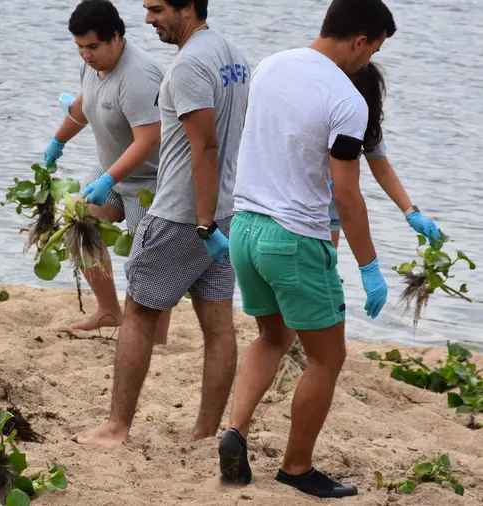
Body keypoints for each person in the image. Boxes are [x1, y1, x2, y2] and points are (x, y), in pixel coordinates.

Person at [219, 0, 396, 498]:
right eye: (374, 49)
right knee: (327, 358)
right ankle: (296, 469)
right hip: (293, 239)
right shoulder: (348, 100)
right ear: (360, 40)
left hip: (245, 229)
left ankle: (235, 431)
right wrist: (369, 264)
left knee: (271, 338)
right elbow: (346, 194)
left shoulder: (272, 64)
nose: (369, 62)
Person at [72, 0, 249, 446]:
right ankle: (204, 432)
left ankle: (116, 427)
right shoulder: (235, 55)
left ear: (188, 7)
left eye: (156, 8)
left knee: (138, 315)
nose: (148, 19)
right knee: (218, 323)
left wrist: (203, 223)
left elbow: (204, 148)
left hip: (182, 213)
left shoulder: (188, 66)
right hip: (227, 205)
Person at [44, 0, 166, 337]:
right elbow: (85, 105)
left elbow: (148, 140)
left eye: (93, 46)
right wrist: (58, 141)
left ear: (116, 37)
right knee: (80, 229)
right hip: (111, 172)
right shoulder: (92, 64)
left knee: (148, 264)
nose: (85, 54)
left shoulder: (138, 76)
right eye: (80, 47)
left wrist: (109, 178)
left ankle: (155, 338)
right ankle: (110, 310)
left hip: (152, 181)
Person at [328, 62, 440, 246]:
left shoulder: (367, 125)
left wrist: (412, 213)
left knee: (325, 269)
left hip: (332, 216)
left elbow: (383, 170)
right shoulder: (321, 115)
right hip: (297, 211)